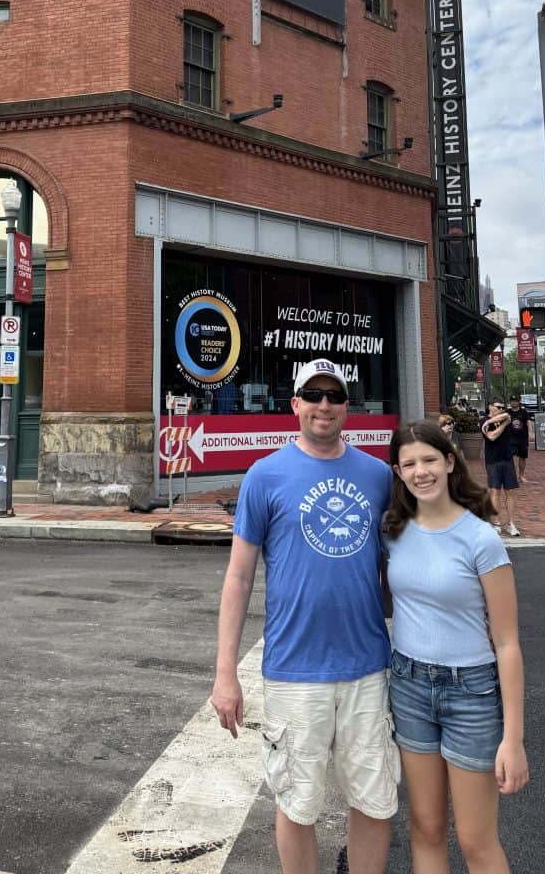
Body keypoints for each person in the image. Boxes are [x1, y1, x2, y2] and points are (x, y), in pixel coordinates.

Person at [211, 358, 400, 874]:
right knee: (297, 803)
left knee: (374, 798)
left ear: (347, 406)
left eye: (334, 396)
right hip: (295, 672)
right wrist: (226, 673)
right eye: (312, 395)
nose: (324, 405)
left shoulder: (378, 475)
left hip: (367, 667)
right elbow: (239, 578)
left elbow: (405, 561)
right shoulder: (264, 476)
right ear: (294, 404)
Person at [383, 420, 529, 873]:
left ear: (449, 462)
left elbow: (506, 642)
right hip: (408, 685)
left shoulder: (480, 539)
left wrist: (514, 739)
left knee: (476, 840)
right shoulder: (394, 530)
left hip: (471, 693)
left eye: (429, 459)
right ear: (398, 472)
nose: (420, 471)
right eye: (409, 464)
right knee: (425, 827)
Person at [481, 401, 521, 537]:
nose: (501, 409)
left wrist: (501, 421)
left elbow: (507, 417)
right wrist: (500, 424)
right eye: (498, 407)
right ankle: (497, 522)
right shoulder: (483, 421)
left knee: (510, 491)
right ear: (490, 407)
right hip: (493, 460)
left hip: (507, 459)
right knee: (495, 491)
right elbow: (491, 436)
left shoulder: (505, 417)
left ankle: (511, 523)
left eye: (502, 407)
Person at [505, 394, 530, 484]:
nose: (514, 402)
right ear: (510, 402)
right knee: (508, 457)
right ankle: (510, 476)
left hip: (522, 438)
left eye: (515, 401)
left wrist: (531, 433)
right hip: (510, 438)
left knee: (522, 457)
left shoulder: (524, 412)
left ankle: (521, 476)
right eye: (512, 401)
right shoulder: (507, 412)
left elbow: (528, 422)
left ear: (518, 402)